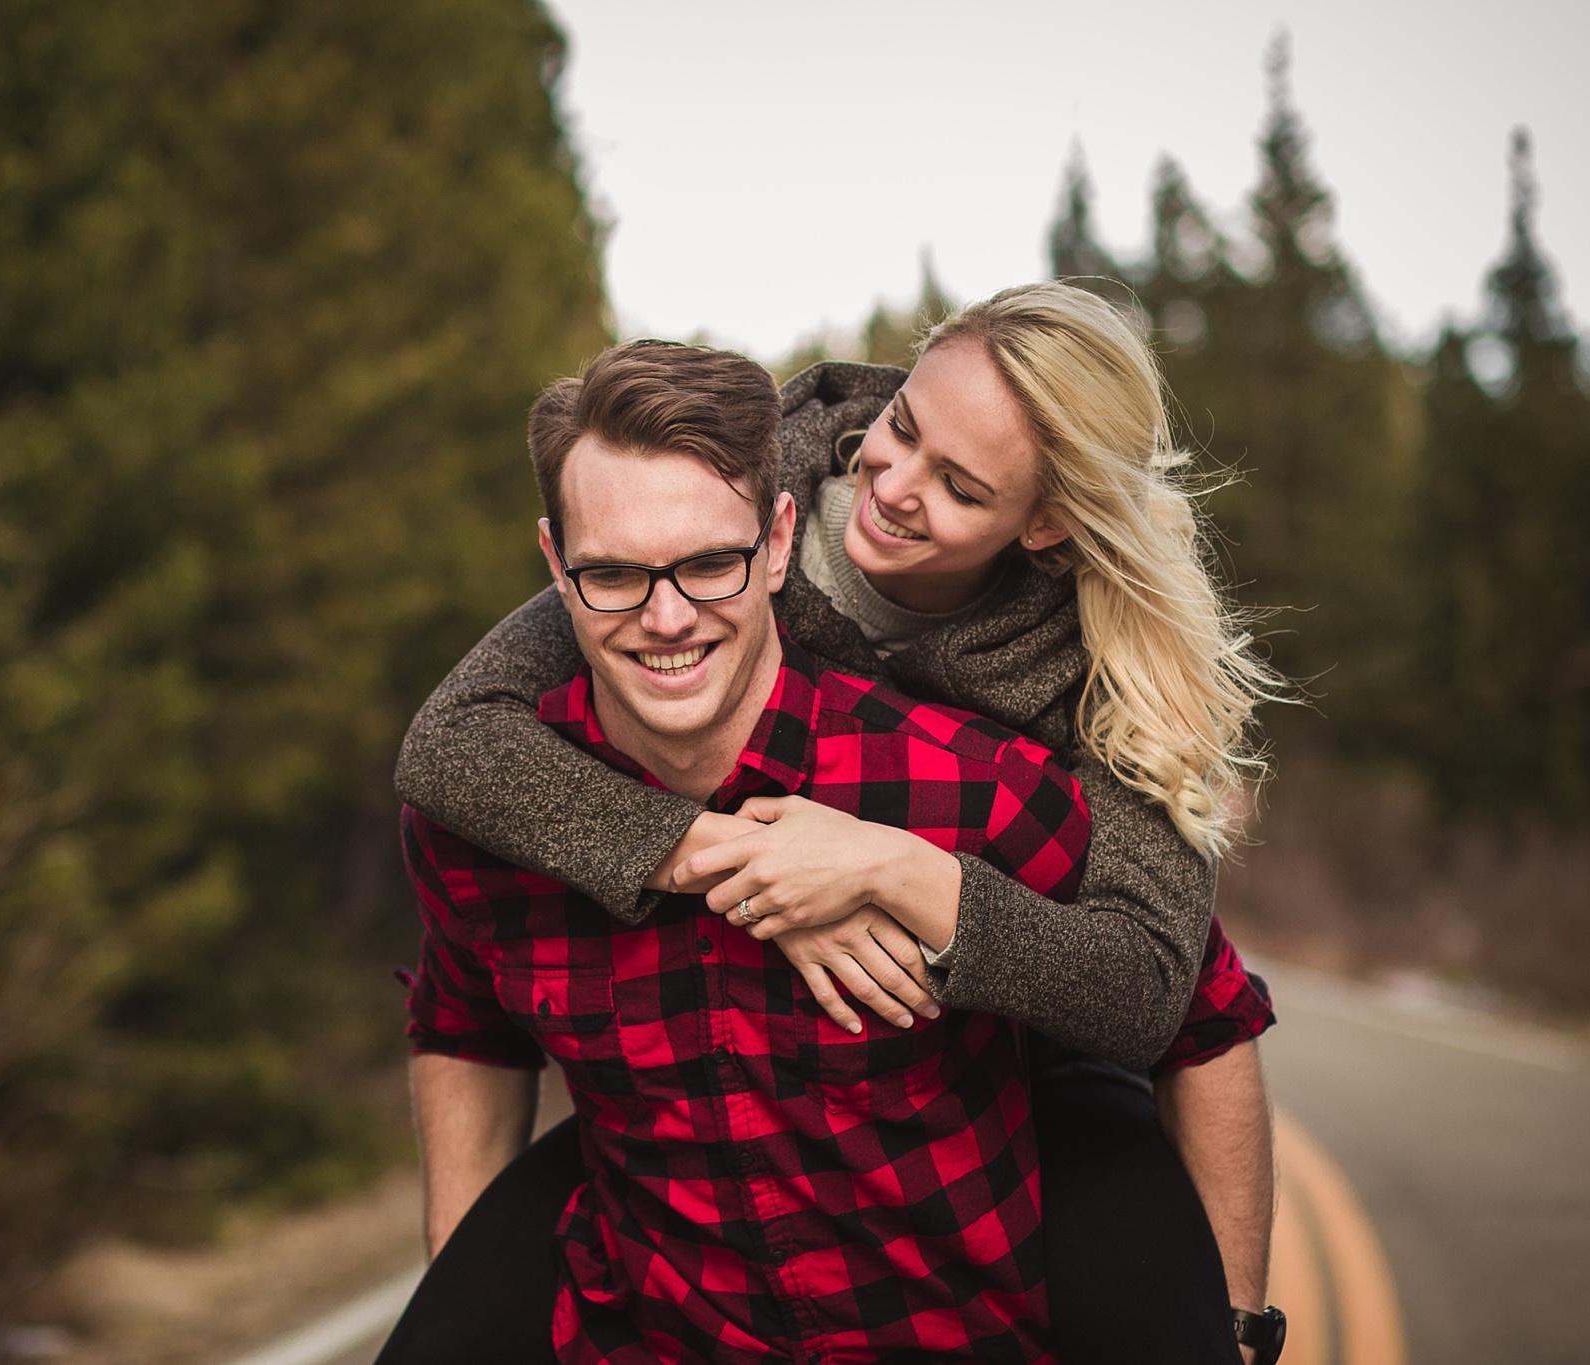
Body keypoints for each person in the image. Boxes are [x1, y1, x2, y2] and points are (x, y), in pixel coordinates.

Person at [391, 285, 1284, 1364]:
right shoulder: (713, 525)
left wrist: (890, 871)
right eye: (901, 426)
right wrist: (733, 861)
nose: (892, 487)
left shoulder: (1091, 673)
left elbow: (1159, 994)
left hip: (1027, 1053)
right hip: (703, 1078)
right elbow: (451, 745)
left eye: (958, 486)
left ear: (1041, 521)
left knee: (1147, 1307)